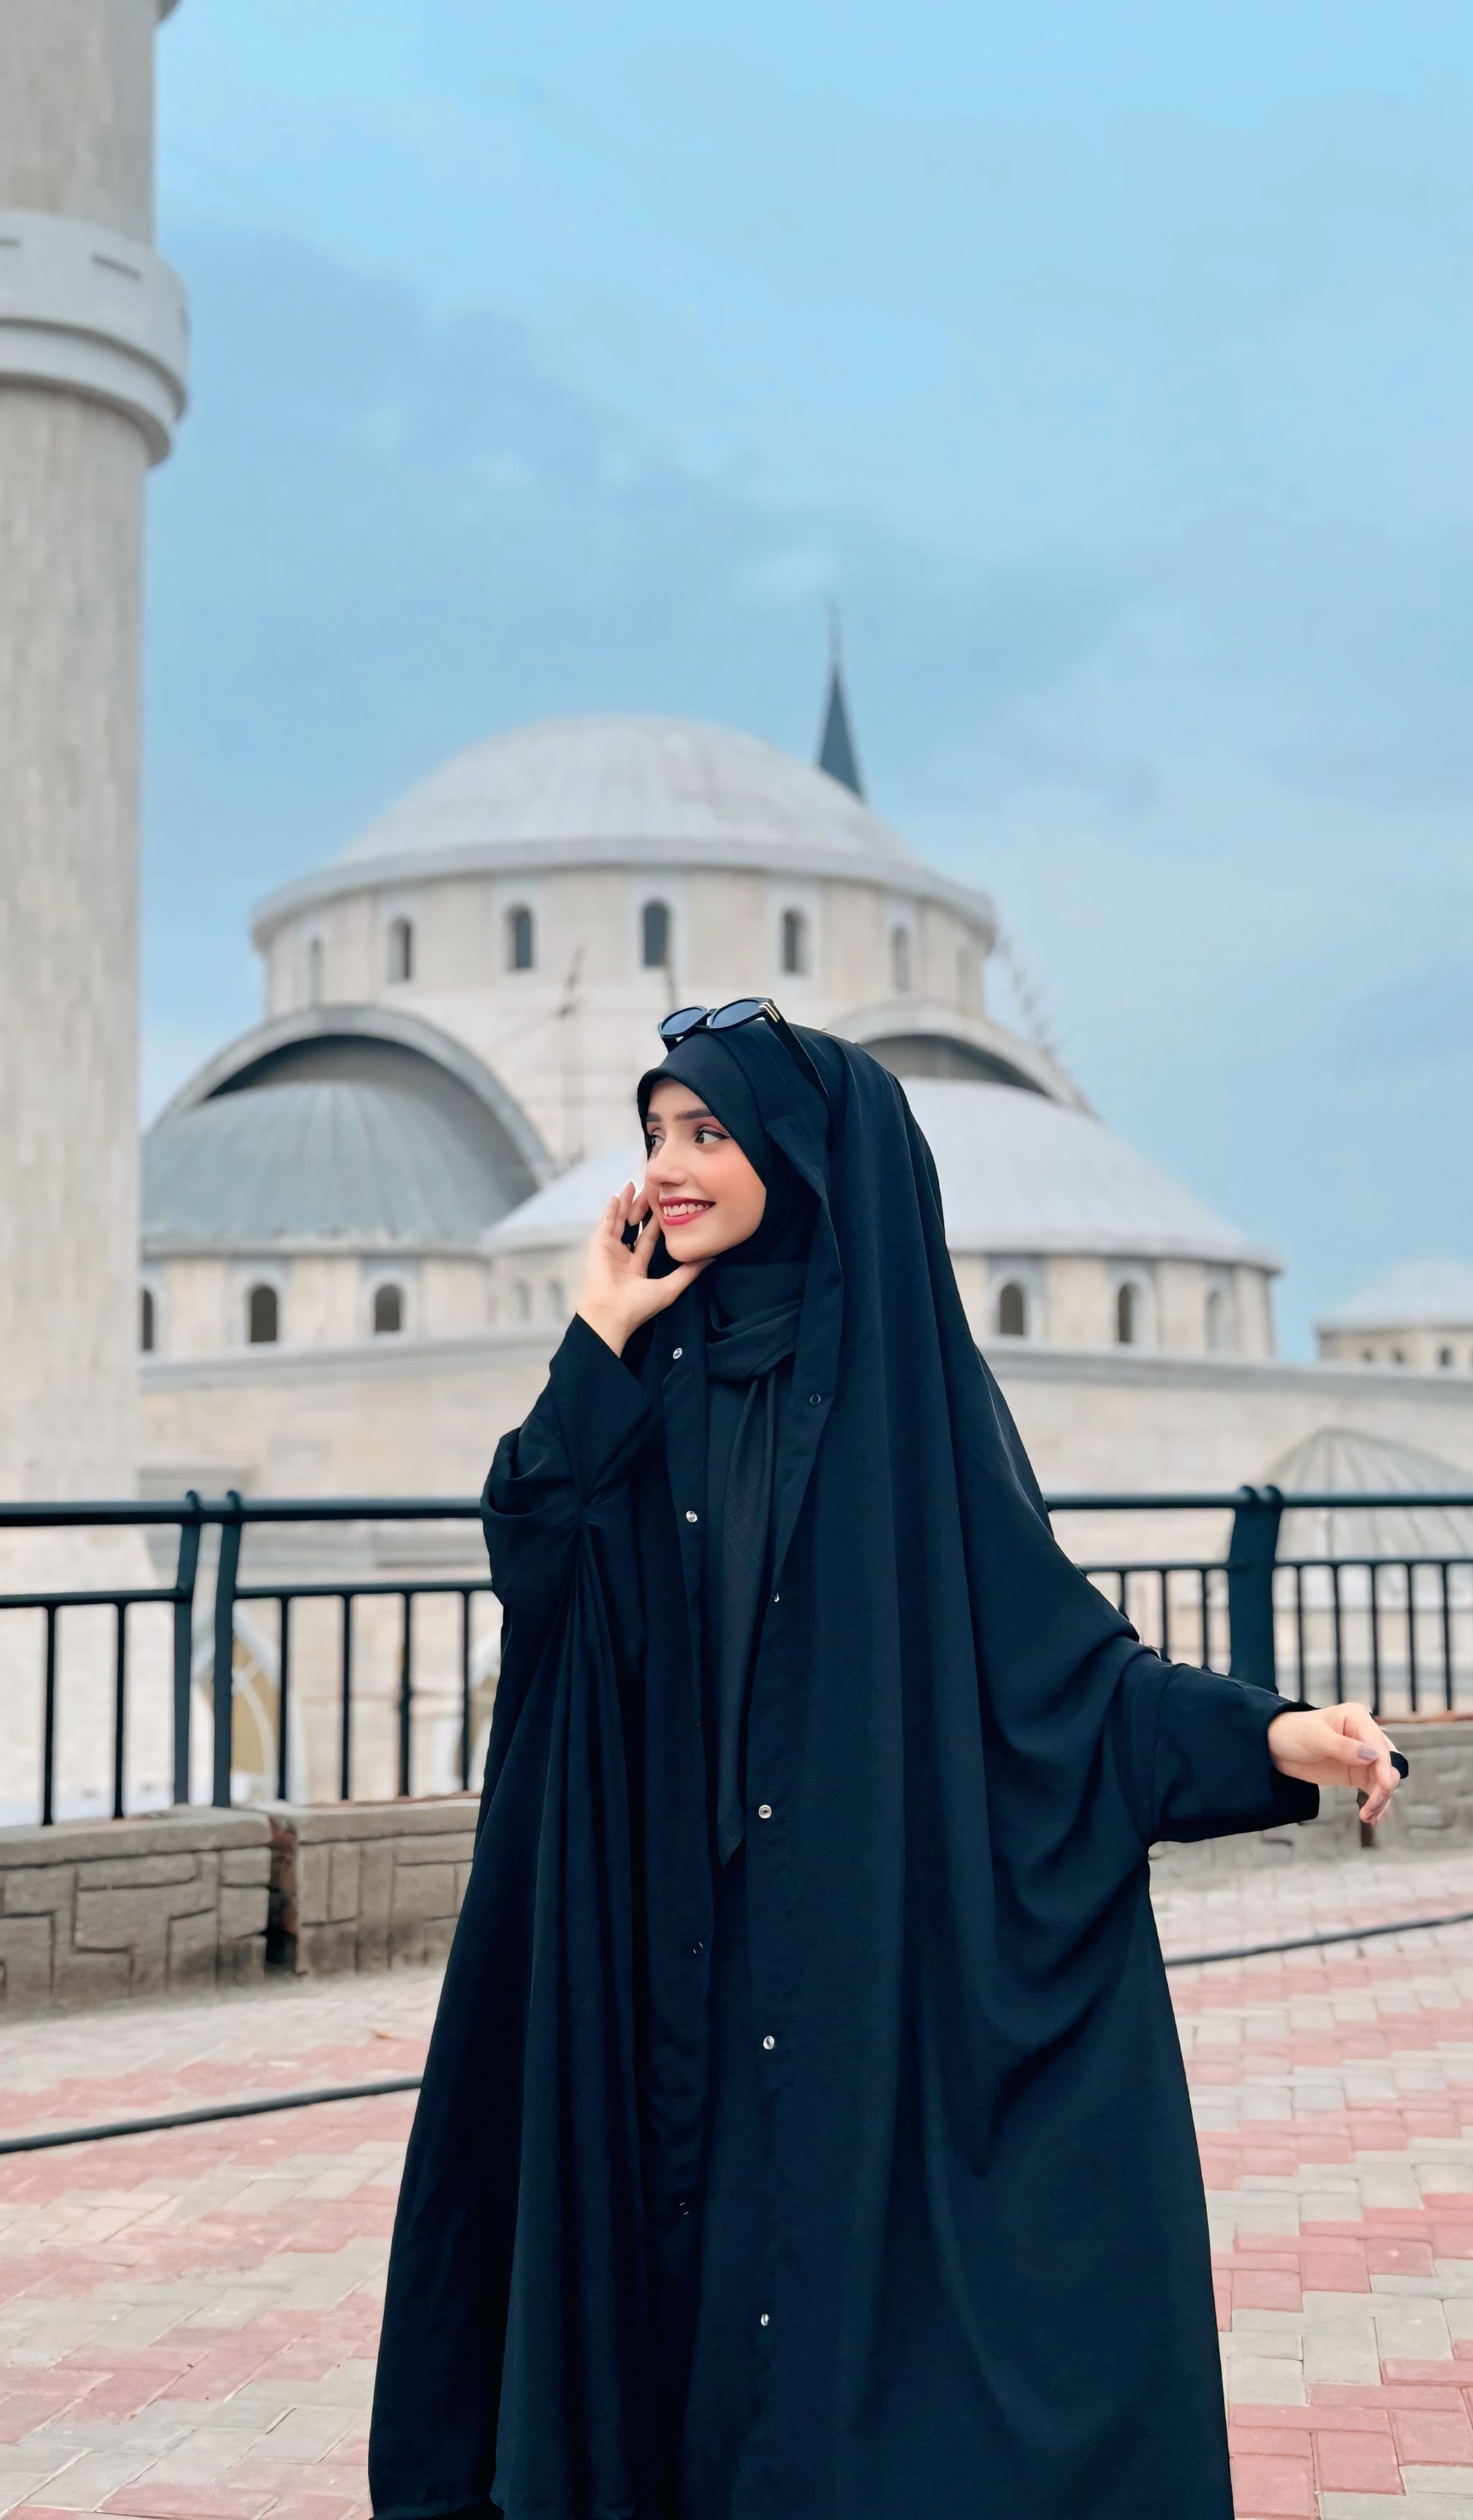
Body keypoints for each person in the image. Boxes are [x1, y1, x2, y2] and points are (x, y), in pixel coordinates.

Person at [369, 1007, 1403, 2520]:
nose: (668, 1167)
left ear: (801, 1158)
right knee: (671, 2308)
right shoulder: (650, 1376)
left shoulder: (904, 1407)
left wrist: (1270, 1734)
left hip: (844, 1945)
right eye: (655, 1135)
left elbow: (1061, 1673)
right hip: (660, 1940)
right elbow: (534, 1549)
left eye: (708, 1133)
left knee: (827, 2317)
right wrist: (597, 1333)